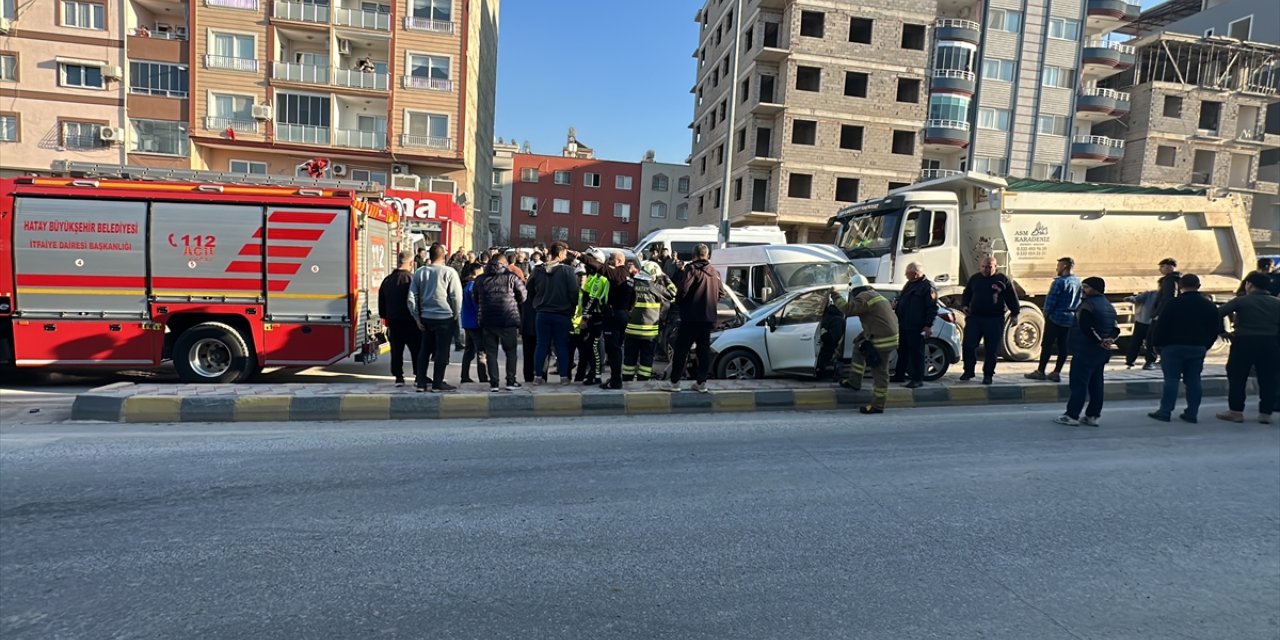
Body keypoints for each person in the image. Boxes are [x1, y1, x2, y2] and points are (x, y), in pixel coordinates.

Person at [1147, 274, 1221, 423]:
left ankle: (1165, 411)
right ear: (1199, 286)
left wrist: (1155, 345)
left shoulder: (1173, 304)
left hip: (1173, 347)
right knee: (1194, 380)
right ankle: (1191, 413)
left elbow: (1161, 326)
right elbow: (1216, 328)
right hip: (1197, 347)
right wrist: (1206, 345)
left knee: (1172, 380)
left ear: (1180, 286)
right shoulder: (1208, 305)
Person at [1054, 277, 1119, 427]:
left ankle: (1072, 415)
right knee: (1097, 384)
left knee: (1079, 383)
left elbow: (1087, 328)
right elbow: (1115, 328)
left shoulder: (1087, 306)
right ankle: (1093, 415)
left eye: (1086, 287)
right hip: (1101, 353)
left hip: (1085, 350)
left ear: (1096, 289)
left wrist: (1099, 341)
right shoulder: (1109, 306)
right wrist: (1109, 340)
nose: (1083, 290)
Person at [1217, 272, 1280, 424]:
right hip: (1270, 342)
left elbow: (1217, 313)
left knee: (1237, 376)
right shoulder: (1277, 303)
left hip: (1244, 342)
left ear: (1249, 285)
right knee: (1268, 378)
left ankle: (1236, 412)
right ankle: (1265, 413)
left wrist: (1222, 331)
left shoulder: (1242, 301)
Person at [660, 244, 723, 393]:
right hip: (707, 318)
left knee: (681, 350)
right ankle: (701, 383)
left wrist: (680, 303)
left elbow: (682, 291)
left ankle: (675, 382)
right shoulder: (715, 272)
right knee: (703, 351)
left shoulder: (691, 269)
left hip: (690, 318)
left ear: (694, 255)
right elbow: (721, 293)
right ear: (707, 255)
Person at [579, 249, 637, 390]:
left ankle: (616, 381)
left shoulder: (617, 273)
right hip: (622, 315)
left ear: (617, 261)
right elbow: (633, 299)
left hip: (614, 316)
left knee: (613, 350)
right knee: (616, 348)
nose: (608, 262)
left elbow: (599, 267)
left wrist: (580, 256)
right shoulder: (629, 277)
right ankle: (615, 378)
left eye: (610, 259)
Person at [407, 244, 462, 393]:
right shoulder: (450, 272)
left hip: (426, 317)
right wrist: (455, 314)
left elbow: (412, 297)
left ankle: (420, 382)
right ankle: (438, 383)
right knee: (442, 351)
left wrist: (417, 317)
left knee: (424, 350)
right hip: (445, 317)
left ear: (429, 255)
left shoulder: (420, 272)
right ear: (443, 255)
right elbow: (456, 296)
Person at [838, 285, 900, 414]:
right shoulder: (876, 296)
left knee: (880, 372)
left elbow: (848, 309)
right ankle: (854, 382)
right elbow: (875, 321)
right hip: (886, 335)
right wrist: (862, 336)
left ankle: (878, 405)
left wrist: (834, 294)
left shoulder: (864, 297)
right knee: (858, 347)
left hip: (883, 340)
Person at [959, 256, 1020, 385]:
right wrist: (964, 305)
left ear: (995, 267)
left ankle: (988, 374)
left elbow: (1011, 297)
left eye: (990, 267)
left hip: (994, 319)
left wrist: (1015, 313)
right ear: (980, 267)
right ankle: (968, 371)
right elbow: (967, 293)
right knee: (968, 345)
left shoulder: (1002, 280)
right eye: (984, 267)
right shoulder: (975, 278)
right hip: (975, 318)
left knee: (991, 349)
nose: (987, 269)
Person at [526, 242, 579, 385]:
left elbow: (529, 288)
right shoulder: (567, 271)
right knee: (561, 345)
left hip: (542, 313)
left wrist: (537, 301)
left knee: (541, 345)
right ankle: (563, 377)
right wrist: (572, 308)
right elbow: (574, 293)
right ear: (561, 254)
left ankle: (538, 377)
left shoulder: (537, 270)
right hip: (562, 314)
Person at [473, 253, 527, 392]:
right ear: (505, 263)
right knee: (511, 352)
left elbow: (475, 298)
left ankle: (494, 383)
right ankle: (510, 381)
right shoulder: (511, 277)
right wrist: (514, 303)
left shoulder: (480, 279)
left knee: (491, 352)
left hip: (487, 320)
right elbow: (523, 295)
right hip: (508, 319)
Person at [1027, 257, 1081, 382]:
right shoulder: (1078, 282)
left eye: (1058, 266)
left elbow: (1051, 301)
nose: (1056, 268)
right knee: (1063, 346)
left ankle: (1041, 371)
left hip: (1055, 318)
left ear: (1064, 267)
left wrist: (1046, 314)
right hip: (1069, 319)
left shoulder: (1059, 282)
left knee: (1047, 345)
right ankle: (1056, 372)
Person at [622, 262, 673, 382]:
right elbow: (673, 293)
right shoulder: (655, 287)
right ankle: (643, 382)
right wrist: (666, 278)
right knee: (646, 359)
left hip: (631, 330)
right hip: (648, 332)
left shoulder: (631, 283)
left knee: (629, 358)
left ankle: (627, 380)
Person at [377, 250, 421, 387]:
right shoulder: (413, 280)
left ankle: (399, 377)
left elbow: (381, 303)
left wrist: (386, 317)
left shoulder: (387, 280)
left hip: (394, 321)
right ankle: (418, 375)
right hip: (411, 321)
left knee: (396, 350)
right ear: (411, 263)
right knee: (416, 349)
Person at [893, 262, 937, 389]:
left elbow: (932, 308)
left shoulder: (927, 287)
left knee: (916, 353)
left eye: (908, 274)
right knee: (902, 351)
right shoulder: (910, 284)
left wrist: (928, 325)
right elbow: (903, 299)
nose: (906, 276)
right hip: (904, 324)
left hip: (917, 326)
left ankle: (917, 379)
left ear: (916, 274)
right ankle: (899, 375)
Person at [458, 263, 488, 385]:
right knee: (481, 351)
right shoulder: (473, 287)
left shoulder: (466, 286)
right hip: (475, 323)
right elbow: (477, 305)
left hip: (467, 322)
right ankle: (483, 377)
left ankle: (464, 375)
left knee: (469, 350)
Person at [1123, 290, 1159, 370]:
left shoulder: (1151, 294)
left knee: (1137, 341)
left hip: (1143, 321)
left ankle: (1131, 360)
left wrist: (1131, 298)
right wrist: (1131, 298)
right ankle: (1148, 362)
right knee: (1149, 343)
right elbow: (1137, 298)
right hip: (1146, 321)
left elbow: (1137, 299)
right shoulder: (1151, 294)